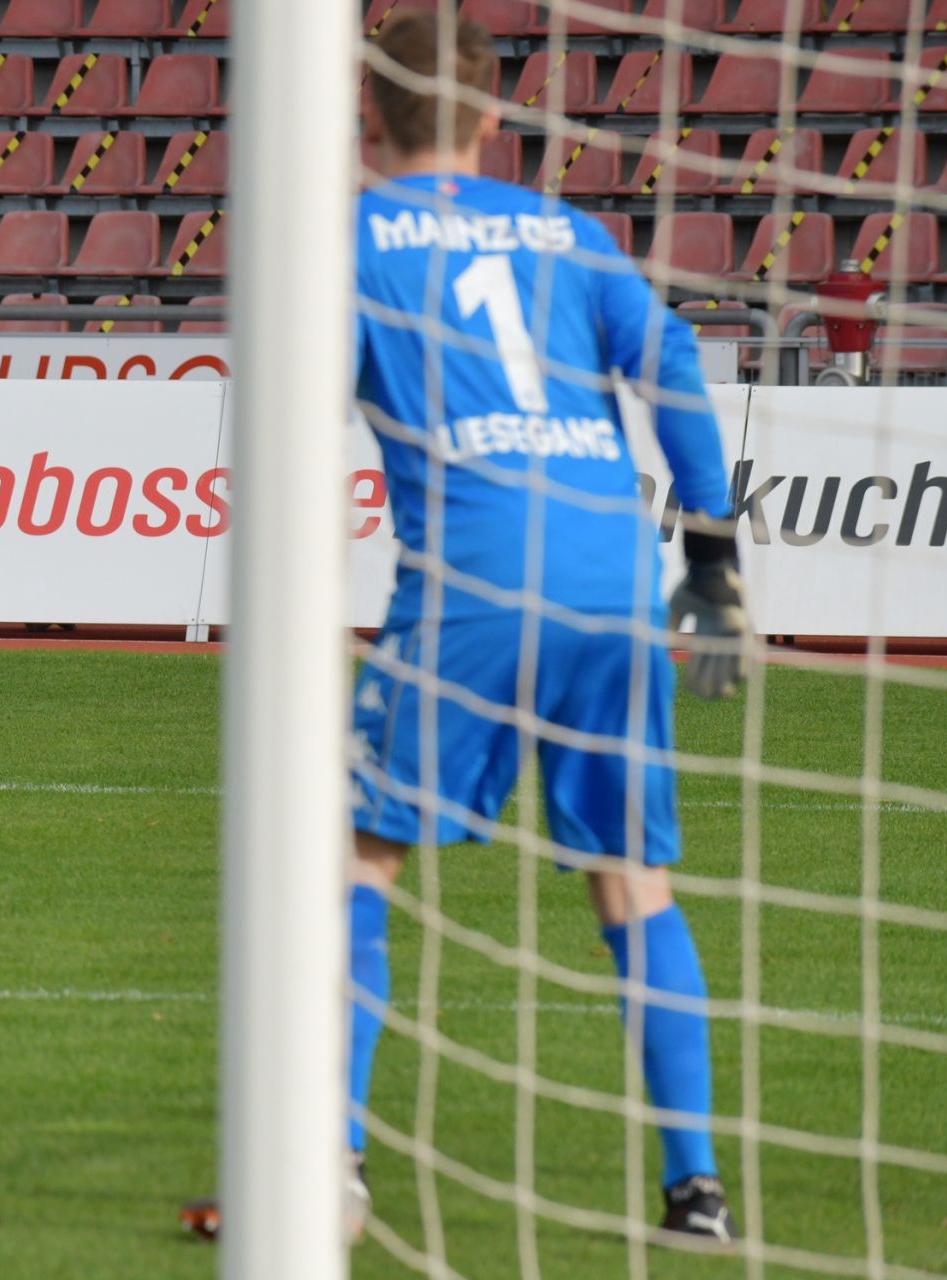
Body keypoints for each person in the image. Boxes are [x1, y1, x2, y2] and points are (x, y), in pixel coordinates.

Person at [182, 13, 749, 1247]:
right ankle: (695, 1185)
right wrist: (712, 553)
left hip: (475, 582)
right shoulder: (571, 233)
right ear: (498, 118)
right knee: (632, 879)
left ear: (364, 119)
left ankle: (324, 1163)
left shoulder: (352, 240)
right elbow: (677, 367)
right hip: (610, 578)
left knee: (355, 862)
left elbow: (299, 408)